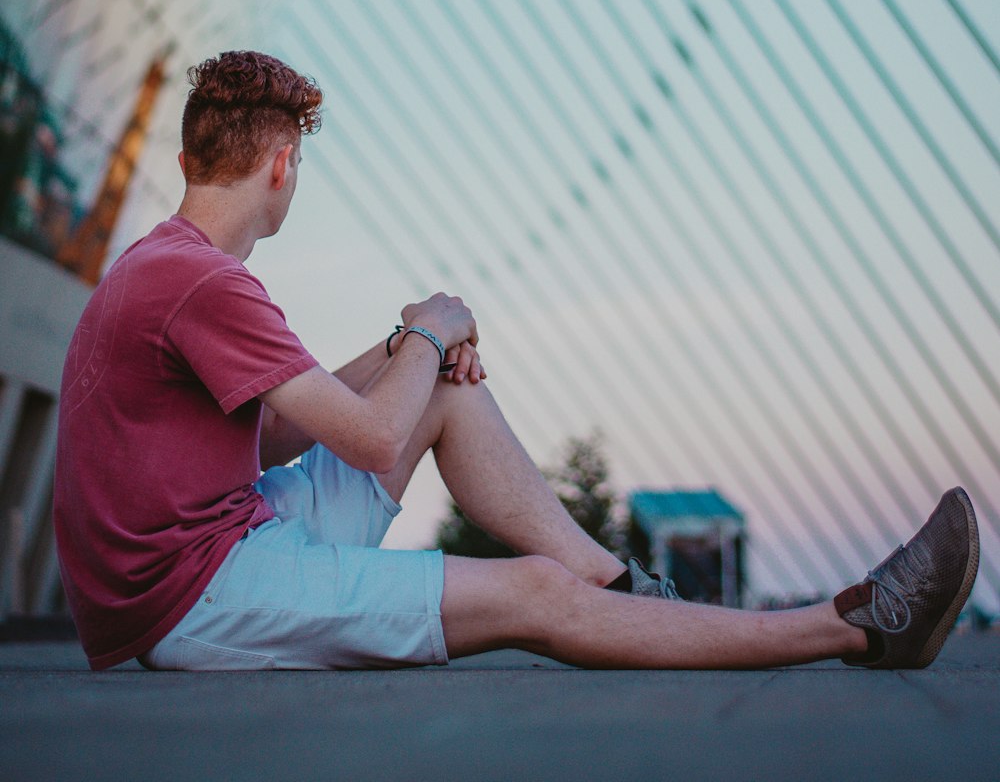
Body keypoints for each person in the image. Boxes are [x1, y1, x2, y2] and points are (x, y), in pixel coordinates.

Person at [54, 50, 979, 673]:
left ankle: (621, 588)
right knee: (531, 592)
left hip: (220, 537)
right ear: (286, 165)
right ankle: (855, 627)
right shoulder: (206, 287)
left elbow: (272, 439)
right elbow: (374, 442)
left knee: (444, 400)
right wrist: (433, 324)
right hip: (196, 593)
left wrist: (403, 347)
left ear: (188, 156)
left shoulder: (166, 267)